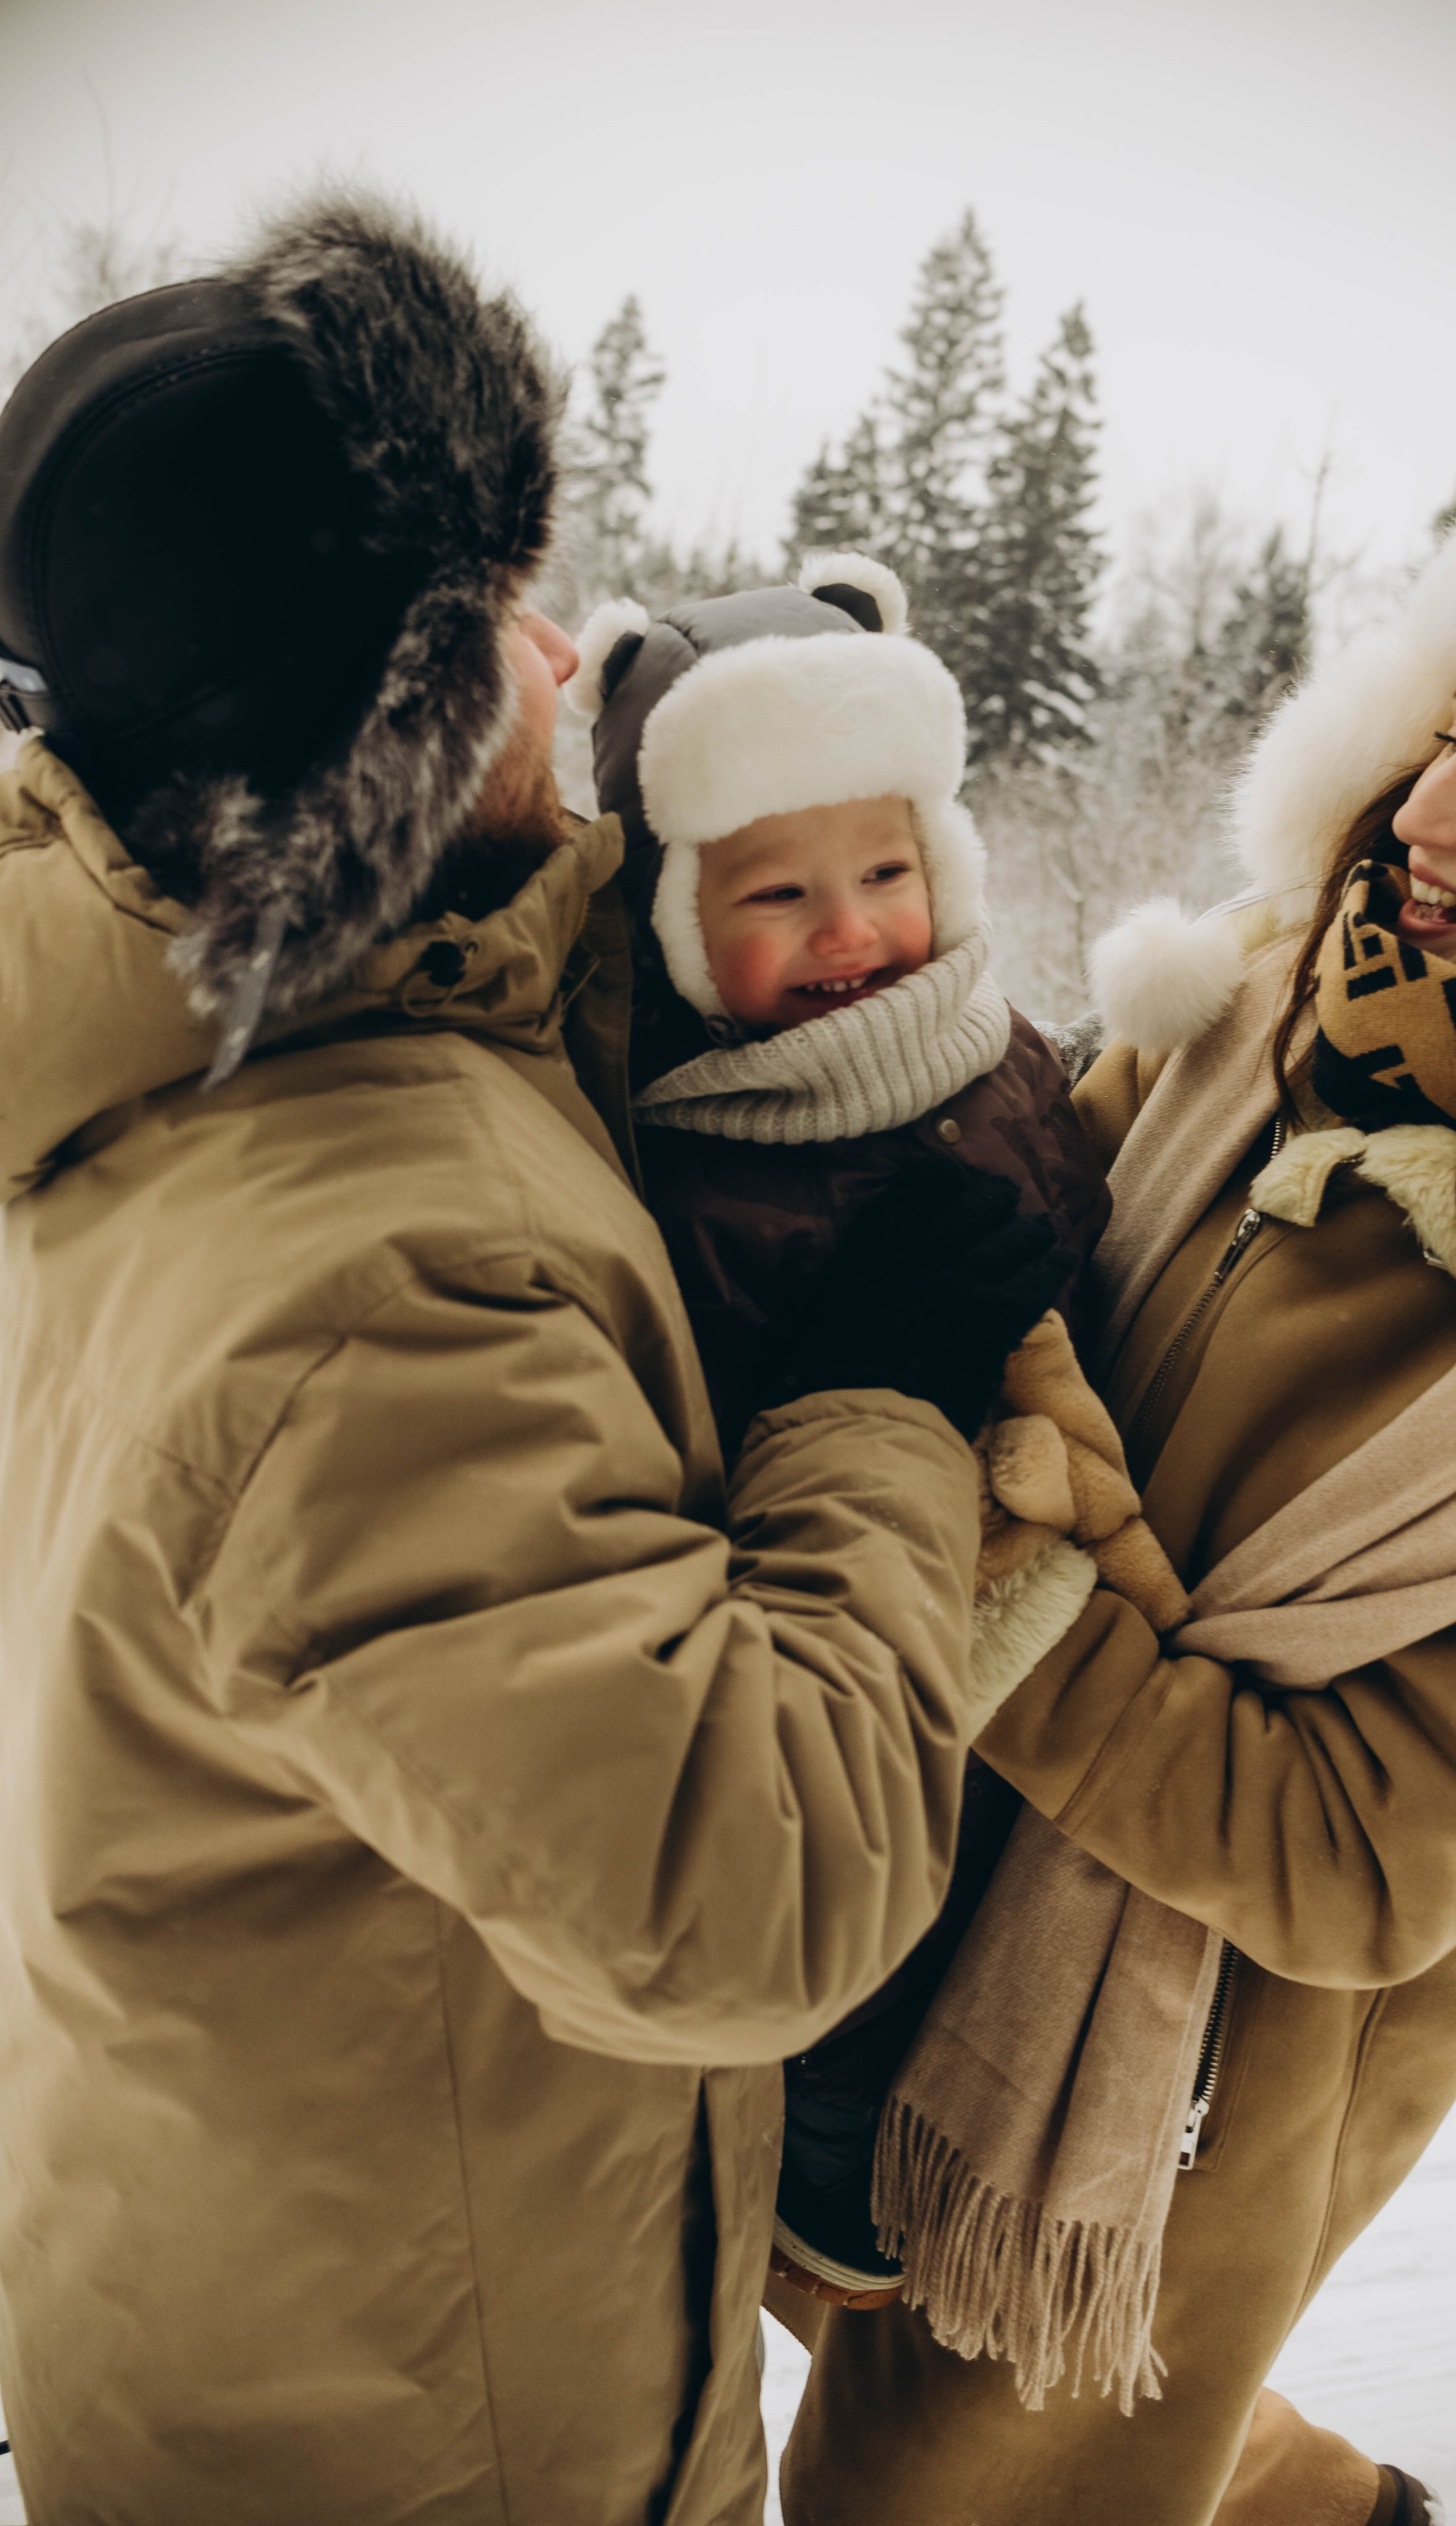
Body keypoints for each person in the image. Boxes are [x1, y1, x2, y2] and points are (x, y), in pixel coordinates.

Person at [0, 195, 1067, 2526]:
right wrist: (872, 1399)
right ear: (383, 737)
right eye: (494, 623)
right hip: (437, 2437)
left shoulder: (134, 1036)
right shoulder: (383, 1272)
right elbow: (736, 1893)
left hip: (250, 2277)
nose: (567, 653)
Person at [777, 414, 1456, 2526]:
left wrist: (1007, 1586)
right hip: (953, 1872)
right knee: (841, 2301)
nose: (1433, 816)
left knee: (953, 2478)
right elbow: (1022, 1245)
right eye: (1445, 729)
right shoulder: (1263, 1008)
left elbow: (1347, 1857)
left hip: (1203, 2050)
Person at [564, 559, 1118, 2309]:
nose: (851, 933)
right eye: (775, 894)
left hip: (1055, 1578)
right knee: (882, 1896)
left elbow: (1086, 1199)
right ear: (670, 920)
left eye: (887, 872)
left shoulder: (999, 1050)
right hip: (847, 1622)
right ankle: (833, 2122)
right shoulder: (679, 1154)